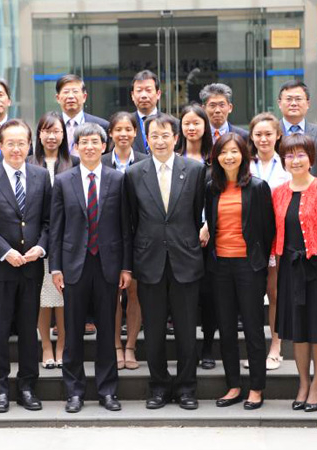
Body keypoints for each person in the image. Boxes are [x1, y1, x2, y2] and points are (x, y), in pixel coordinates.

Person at [50, 122, 132, 413]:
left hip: (108, 265)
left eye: (94, 141)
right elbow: (56, 228)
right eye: (83, 142)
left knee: (108, 331)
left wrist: (126, 267)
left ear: (104, 145)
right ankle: (74, 392)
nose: (89, 146)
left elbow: (125, 228)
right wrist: (55, 267)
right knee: (72, 333)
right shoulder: (63, 181)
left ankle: (107, 390)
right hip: (74, 265)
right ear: (75, 147)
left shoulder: (118, 179)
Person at [125, 114, 206, 410]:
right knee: (155, 330)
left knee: (186, 330)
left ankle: (186, 388)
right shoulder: (134, 174)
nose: (159, 141)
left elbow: (198, 212)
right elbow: (130, 221)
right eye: (154, 136)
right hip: (149, 262)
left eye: (165, 135)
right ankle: (158, 386)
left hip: (185, 259)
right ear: (146, 139)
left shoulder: (195, 171)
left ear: (176, 138)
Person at [0, 119, 51, 413]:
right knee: (0, 328)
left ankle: (28, 386)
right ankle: (0, 389)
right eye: (10, 143)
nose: (16, 148)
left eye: (22, 143)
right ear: (0, 145)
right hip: (0, 268)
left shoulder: (41, 176)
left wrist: (41, 247)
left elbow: (48, 220)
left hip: (32, 267)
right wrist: (5, 252)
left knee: (30, 331)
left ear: (30, 145)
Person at [272, 133, 317, 413]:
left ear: (311, 159)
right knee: (298, 331)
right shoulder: (278, 192)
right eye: (289, 155)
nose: (295, 160)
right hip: (290, 270)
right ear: (283, 161)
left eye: (301, 154)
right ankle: (302, 383)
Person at [203, 133, 275, 410]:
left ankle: (256, 387)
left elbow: (267, 229)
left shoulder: (257, 187)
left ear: (244, 155)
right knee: (226, 328)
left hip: (249, 266)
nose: (229, 156)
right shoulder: (212, 187)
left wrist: (261, 264)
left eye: (234, 151)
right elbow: (210, 221)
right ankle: (233, 385)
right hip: (220, 265)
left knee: (254, 329)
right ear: (216, 158)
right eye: (223, 152)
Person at [28, 111, 80, 369]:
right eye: (47, 131)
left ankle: (62, 346)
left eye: (57, 131)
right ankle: (46, 346)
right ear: (39, 134)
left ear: (64, 134)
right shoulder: (29, 163)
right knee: (43, 296)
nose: (52, 136)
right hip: (37, 239)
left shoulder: (75, 162)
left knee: (62, 295)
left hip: (67, 238)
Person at [101, 111, 147, 371]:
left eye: (128, 129)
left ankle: (130, 346)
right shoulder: (102, 160)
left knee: (134, 292)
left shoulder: (144, 161)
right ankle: (115, 346)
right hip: (108, 237)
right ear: (110, 133)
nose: (123, 134)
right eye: (118, 129)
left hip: (139, 237)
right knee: (112, 294)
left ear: (135, 133)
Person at [247, 112, 291, 370]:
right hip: (248, 239)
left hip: (277, 238)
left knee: (274, 294)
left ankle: (276, 346)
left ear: (277, 136)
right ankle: (255, 351)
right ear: (252, 137)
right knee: (251, 297)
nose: (263, 139)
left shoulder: (286, 164)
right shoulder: (244, 164)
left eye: (268, 134)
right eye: (258, 134)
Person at [178, 104, 217, 370]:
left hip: (210, 237)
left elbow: (220, 197)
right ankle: (186, 346)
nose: (192, 128)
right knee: (183, 294)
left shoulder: (215, 158)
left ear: (205, 127)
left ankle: (207, 346)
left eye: (196, 123)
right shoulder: (173, 156)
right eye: (187, 123)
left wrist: (207, 225)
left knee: (208, 293)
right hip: (179, 237)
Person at [276, 80, 317, 188]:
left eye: (298, 99)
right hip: (279, 199)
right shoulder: (270, 134)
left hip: (314, 198)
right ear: (280, 103)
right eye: (289, 99)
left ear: (308, 103)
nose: (294, 103)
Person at [55, 74, 110, 152]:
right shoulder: (50, 126)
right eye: (66, 92)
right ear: (58, 98)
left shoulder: (102, 125)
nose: (70, 96)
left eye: (75, 91)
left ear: (84, 97)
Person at [129, 70, 162, 154]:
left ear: (158, 94)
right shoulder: (125, 124)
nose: (144, 95)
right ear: (132, 95)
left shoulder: (172, 123)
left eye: (148, 90)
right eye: (139, 91)